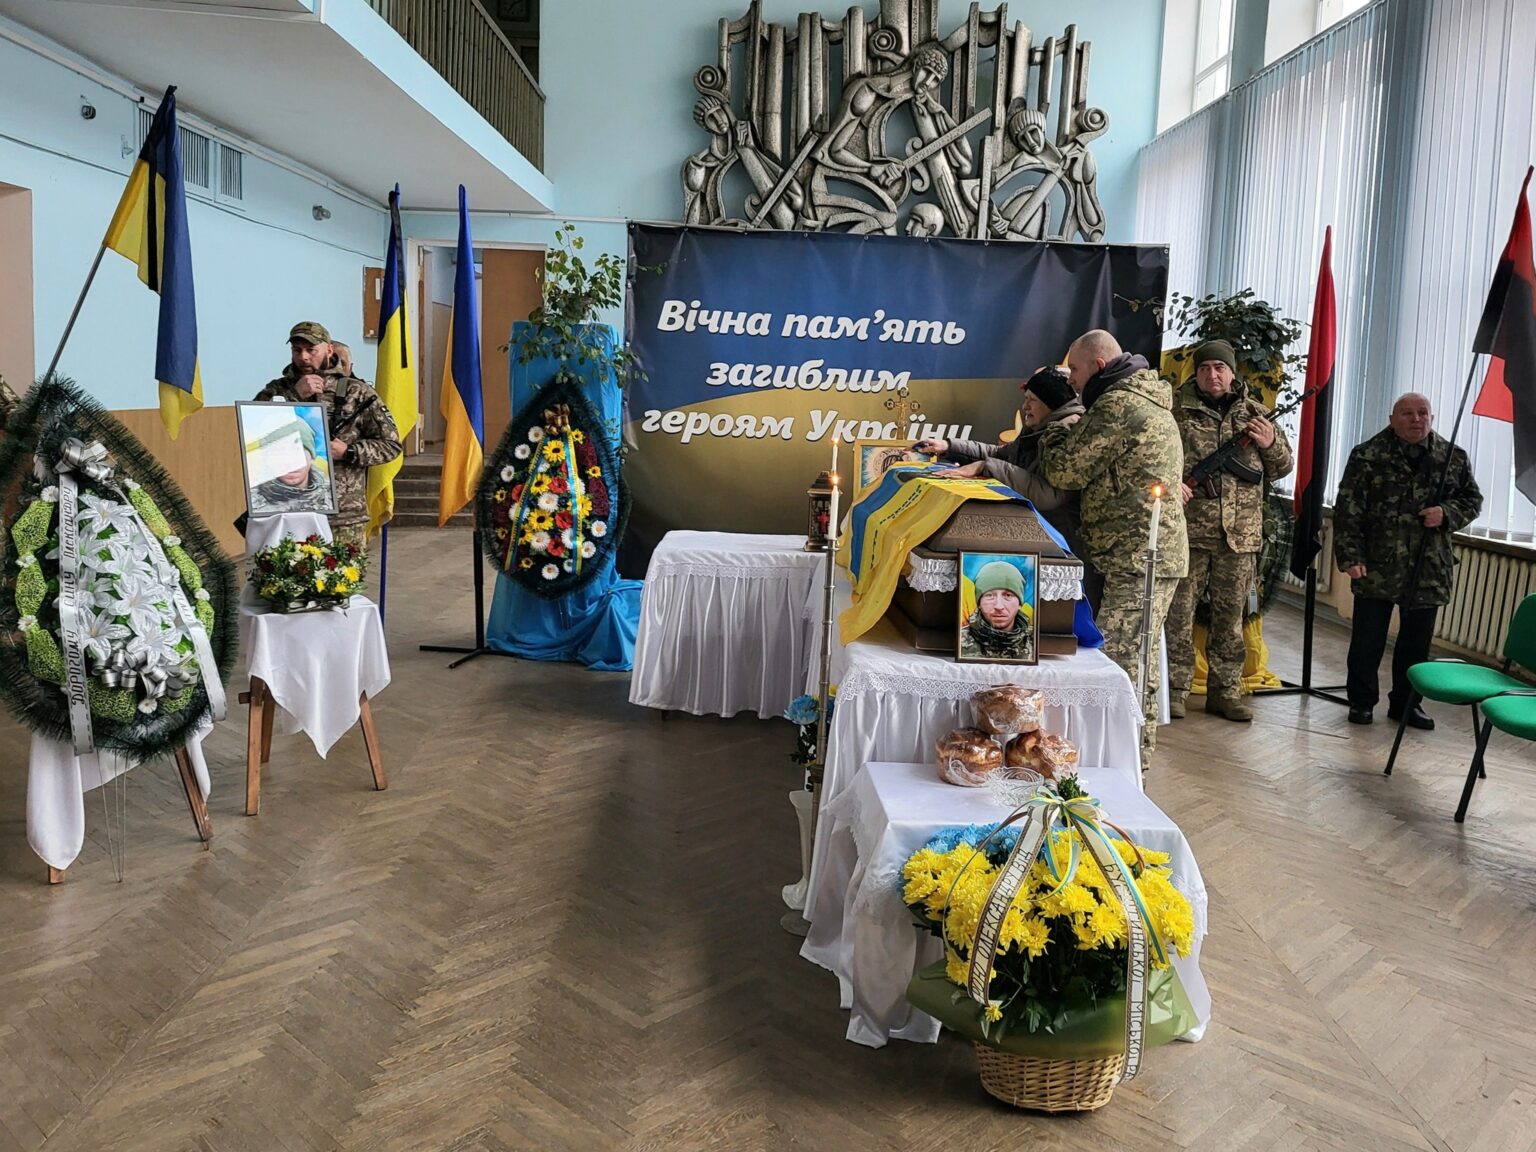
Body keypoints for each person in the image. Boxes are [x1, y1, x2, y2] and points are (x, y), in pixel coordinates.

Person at [1039, 329, 1188, 757]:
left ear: (1099, 366)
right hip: (1138, 554)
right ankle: (1132, 765)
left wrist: (1055, 426)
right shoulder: (1140, 395)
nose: (1072, 381)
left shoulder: (1118, 404)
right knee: (1139, 666)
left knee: (1119, 669)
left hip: (1137, 557)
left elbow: (1065, 471)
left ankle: (1120, 771)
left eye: (1076, 371)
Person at [1333, 392, 1483, 729]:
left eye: (1423, 413)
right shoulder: (1368, 455)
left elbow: (1472, 500)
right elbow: (1348, 511)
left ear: (1431, 417)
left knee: (1416, 645)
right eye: (1407, 413)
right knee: (1367, 640)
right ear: (1391, 419)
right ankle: (1361, 701)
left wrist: (1447, 513)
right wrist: (1350, 556)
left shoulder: (1451, 457)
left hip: (1428, 566)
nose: (1416, 419)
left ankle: (1407, 704)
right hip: (1377, 563)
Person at [1165, 340, 1294, 722]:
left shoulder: (1256, 415)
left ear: (1232, 373)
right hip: (1188, 532)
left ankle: (1225, 691)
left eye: (1220, 368)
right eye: (1205, 368)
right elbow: (1154, 458)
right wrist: (1175, 484)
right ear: (1197, 373)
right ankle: (1174, 690)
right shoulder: (1175, 410)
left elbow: (1283, 467)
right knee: (1178, 616)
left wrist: (1270, 444)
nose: (1213, 374)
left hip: (1239, 537)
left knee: (1230, 621)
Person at [254, 321, 402, 553]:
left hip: (343, 516)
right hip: (288, 512)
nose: (303, 357)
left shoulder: (357, 392)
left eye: (311, 350)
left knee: (343, 586)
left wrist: (349, 451)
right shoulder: (276, 391)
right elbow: (256, 432)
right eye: (297, 350)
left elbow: (391, 445)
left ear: (328, 350)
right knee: (289, 586)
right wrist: (294, 395)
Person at [920, 364, 1087, 561]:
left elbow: (1049, 495)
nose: (1025, 407)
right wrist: (948, 446)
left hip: (1062, 545)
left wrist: (986, 466)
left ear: (1050, 404)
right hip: (1038, 537)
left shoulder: (1068, 432)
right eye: (1026, 399)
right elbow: (1002, 454)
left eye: (1032, 400)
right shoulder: (1038, 428)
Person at [249, 416, 330, 515]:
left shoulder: (333, 497)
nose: (290, 462)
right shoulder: (251, 502)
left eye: (298, 450)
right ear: (267, 459)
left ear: (312, 457)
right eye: (278, 452)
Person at [959, 560, 1035, 661]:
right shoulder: (960, 641)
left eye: (1008, 595)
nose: (999, 606)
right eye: (990, 595)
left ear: (1020, 604)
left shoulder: (1036, 642)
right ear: (979, 603)